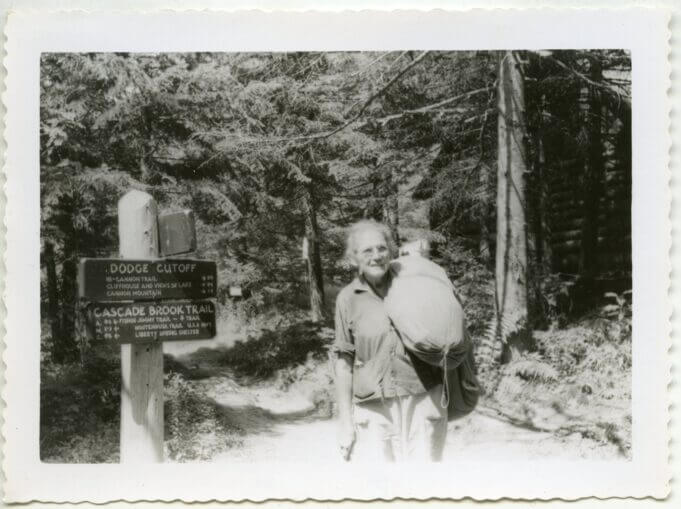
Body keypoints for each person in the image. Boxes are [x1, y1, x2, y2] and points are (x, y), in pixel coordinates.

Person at [332, 220, 448, 462]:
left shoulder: (416, 286)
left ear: (391, 251)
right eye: (367, 250)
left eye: (382, 248)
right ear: (354, 258)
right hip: (374, 407)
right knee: (380, 486)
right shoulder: (347, 299)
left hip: (422, 396)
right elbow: (344, 363)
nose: (376, 256)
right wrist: (345, 423)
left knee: (425, 486)